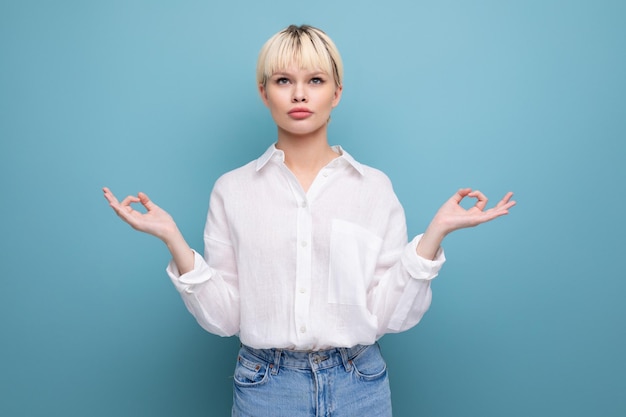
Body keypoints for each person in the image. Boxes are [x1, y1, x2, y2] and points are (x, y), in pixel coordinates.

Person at [103, 24, 515, 417]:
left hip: (360, 384)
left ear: (337, 92)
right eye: (283, 81)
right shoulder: (232, 190)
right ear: (264, 93)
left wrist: (434, 236)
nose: (299, 94)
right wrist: (173, 239)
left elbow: (389, 315)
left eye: (315, 81)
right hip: (265, 387)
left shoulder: (373, 188)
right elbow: (225, 318)